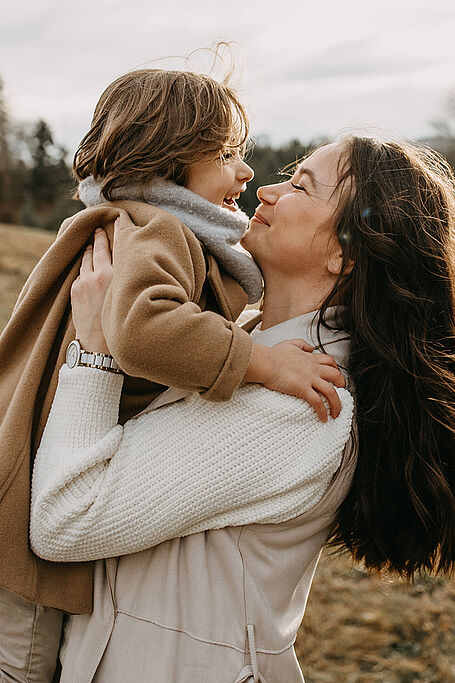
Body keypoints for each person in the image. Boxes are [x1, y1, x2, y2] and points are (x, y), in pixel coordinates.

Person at [30, 134, 455, 681]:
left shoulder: (305, 405)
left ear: (343, 252)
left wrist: (94, 354)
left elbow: (67, 522)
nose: (269, 188)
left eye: (302, 186)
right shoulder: (244, 343)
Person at [0, 69, 344, 682]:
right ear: (170, 160)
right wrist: (263, 362)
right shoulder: (158, 229)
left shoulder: (139, 227)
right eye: (228, 154)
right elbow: (144, 328)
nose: (249, 175)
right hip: (21, 517)